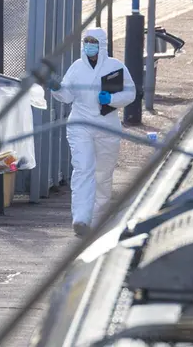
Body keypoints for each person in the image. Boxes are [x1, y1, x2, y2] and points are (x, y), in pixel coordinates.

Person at [50, 27, 136, 237]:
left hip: (107, 126)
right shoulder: (77, 68)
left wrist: (113, 100)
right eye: (86, 42)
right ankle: (81, 218)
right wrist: (56, 88)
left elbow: (131, 92)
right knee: (83, 169)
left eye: (93, 42)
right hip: (81, 124)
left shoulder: (116, 67)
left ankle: (99, 219)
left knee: (103, 174)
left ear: (102, 45)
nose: (89, 46)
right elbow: (68, 95)